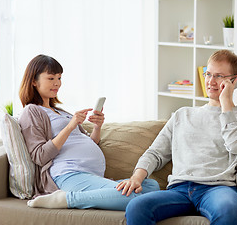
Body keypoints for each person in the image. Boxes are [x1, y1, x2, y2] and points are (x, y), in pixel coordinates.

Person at [117, 50, 237, 224]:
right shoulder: (182, 114)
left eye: (219, 76)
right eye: (208, 74)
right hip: (179, 189)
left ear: (234, 80)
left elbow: (236, 146)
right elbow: (155, 153)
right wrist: (136, 178)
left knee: (229, 208)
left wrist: (226, 105)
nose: (210, 81)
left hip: (219, 189)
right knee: (136, 206)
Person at [18, 54, 159, 211]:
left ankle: (92, 194)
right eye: (51, 78)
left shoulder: (60, 111)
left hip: (90, 175)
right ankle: (66, 198)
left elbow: (88, 143)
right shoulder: (32, 111)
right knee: (133, 197)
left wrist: (97, 127)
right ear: (33, 81)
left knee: (152, 186)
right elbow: (40, 156)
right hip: (68, 174)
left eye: (59, 78)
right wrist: (70, 126)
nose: (57, 83)